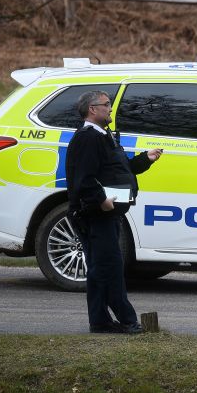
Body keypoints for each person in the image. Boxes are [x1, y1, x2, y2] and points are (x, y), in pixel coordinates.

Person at [66, 90, 163, 334]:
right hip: (96, 215)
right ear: (92, 109)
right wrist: (101, 201)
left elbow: (118, 170)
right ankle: (128, 320)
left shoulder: (103, 135)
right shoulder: (88, 138)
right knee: (110, 268)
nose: (111, 108)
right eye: (106, 104)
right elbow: (84, 178)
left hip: (105, 213)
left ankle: (99, 321)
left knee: (100, 269)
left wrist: (145, 159)